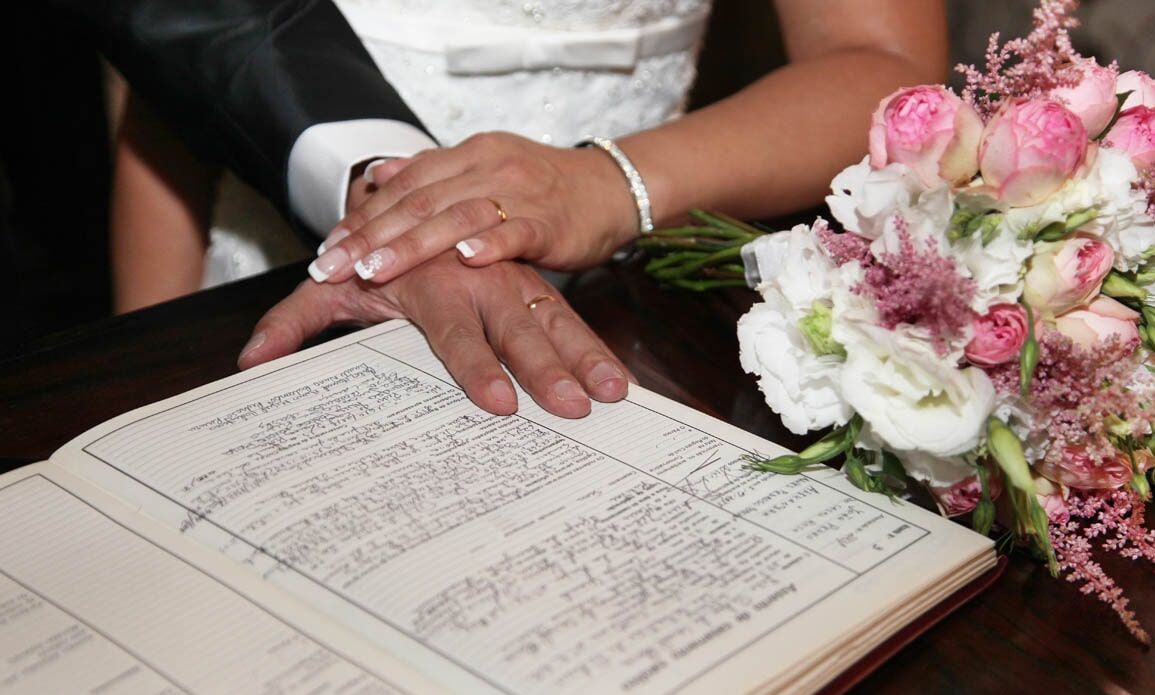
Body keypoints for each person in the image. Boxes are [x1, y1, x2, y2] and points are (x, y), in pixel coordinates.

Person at [63, 0, 947, 420]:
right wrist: (149, 373)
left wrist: (610, 183)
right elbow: (188, 47)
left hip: (614, 313)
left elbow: (879, 63)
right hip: (265, 262)